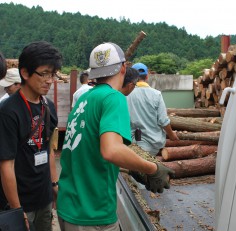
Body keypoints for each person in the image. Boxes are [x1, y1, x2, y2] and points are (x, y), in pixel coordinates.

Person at [57, 42, 174, 231]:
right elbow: (112, 151)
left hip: (69, 206)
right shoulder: (114, 97)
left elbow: (90, 150)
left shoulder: (85, 98)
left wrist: (131, 166)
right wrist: (152, 169)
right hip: (92, 212)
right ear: (123, 68)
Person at [0, 41, 62, 231]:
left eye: (52, 74)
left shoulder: (48, 106)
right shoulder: (8, 111)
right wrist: (16, 209)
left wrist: (53, 183)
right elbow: (5, 164)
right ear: (25, 73)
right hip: (19, 200)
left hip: (43, 197)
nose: (49, 80)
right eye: (44, 73)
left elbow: (48, 149)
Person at [126, 62, 179, 156]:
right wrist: (171, 135)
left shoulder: (125, 94)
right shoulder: (156, 94)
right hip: (152, 143)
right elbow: (163, 121)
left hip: (130, 143)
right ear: (147, 77)